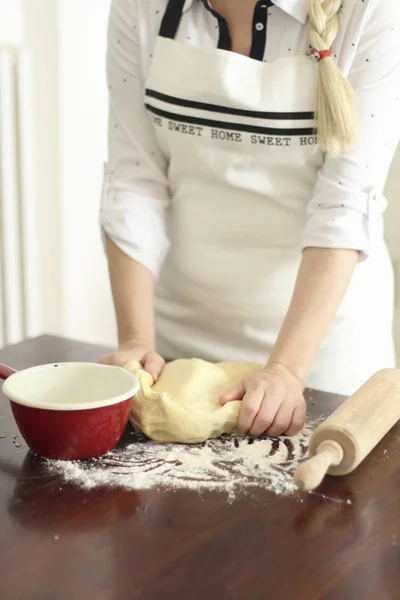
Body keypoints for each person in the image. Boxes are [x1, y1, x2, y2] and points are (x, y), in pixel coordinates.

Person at [99, 0, 400, 438]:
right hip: (179, 356)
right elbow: (134, 180)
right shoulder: (141, 6)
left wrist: (286, 371)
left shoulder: (370, 9)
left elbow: (344, 205)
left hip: (324, 362)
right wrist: (137, 344)